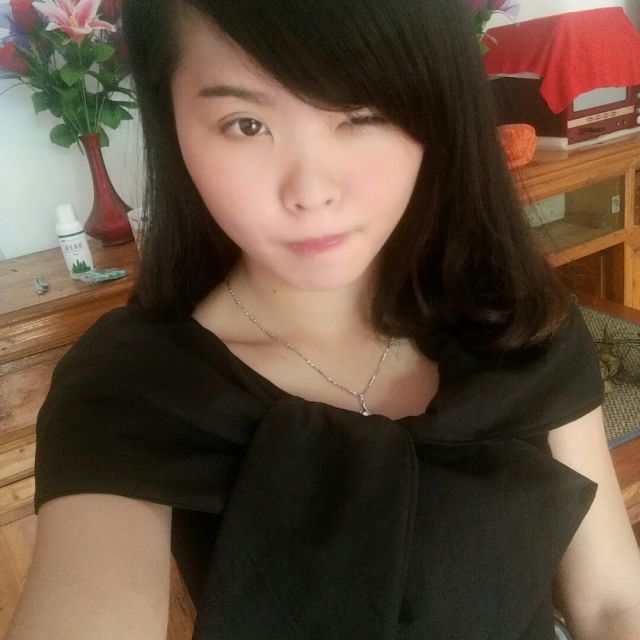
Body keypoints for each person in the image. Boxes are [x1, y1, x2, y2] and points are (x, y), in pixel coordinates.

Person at [6, 0, 640, 638]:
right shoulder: (130, 390)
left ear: (439, 106)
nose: (311, 192)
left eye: (362, 115)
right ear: (171, 124)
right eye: (246, 124)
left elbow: (612, 601)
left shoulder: (517, 320)